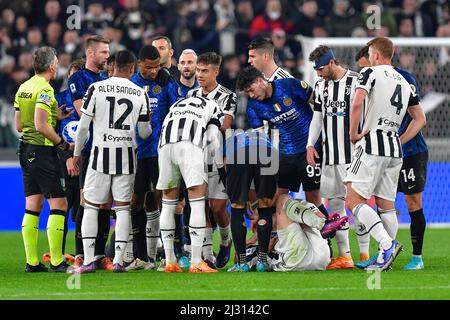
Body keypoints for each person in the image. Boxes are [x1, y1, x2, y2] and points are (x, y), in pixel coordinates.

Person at [345, 37, 426, 271]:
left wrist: (353, 133)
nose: (369, 58)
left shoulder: (370, 73)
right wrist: (399, 139)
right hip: (394, 147)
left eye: (370, 54)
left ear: (377, 55)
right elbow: (420, 117)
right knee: (386, 204)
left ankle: (386, 244)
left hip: (371, 143)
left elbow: (357, 103)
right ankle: (385, 258)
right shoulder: (403, 79)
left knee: (353, 199)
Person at [71, 50, 152, 273]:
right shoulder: (139, 93)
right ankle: (117, 261)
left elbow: (83, 128)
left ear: (113, 66)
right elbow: (145, 133)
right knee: (123, 208)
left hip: (100, 156)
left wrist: (77, 154)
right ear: (133, 68)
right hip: (126, 156)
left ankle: (88, 261)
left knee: (90, 206)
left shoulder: (96, 88)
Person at [15, 46, 73, 272]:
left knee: (33, 204)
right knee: (59, 203)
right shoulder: (46, 89)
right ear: (51, 66)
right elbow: (41, 125)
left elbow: (20, 125)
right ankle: (57, 262)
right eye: (57, 62)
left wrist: (54, 115)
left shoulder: (24, 87)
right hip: (43, 152)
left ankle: (31, 262)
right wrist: (62, 144)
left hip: (26, 150)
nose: (58, 65)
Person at [127, 45, 179, 271]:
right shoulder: (131, 85)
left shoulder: (165, 83)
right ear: (139, 65)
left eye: (157, 66)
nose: (154, 71)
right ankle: (140, 256)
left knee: (160, 199)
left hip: (160, 151)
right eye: (149, 67)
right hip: (136, 152)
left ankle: (158, 254)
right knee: (135, 201)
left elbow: (177, 107)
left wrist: (172, 81)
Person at [306, 45, 359, 269]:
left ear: (331, 63)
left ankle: (366, 254)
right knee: (336, 206)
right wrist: (310, 144)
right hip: (330, 156)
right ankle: (345, 256)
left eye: (320, 68)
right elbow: (318, 118)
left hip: (353, 155)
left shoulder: (356, 82)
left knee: (357, 205)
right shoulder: (320, 85)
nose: (318, 73)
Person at [157, 95, 222, 273]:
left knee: (168, 204)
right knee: (197, 202)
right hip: (189, 145)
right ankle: (196, 261)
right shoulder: (213, 105)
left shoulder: (177, 103)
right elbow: (212, 138)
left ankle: (170, 260)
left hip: (164, 146)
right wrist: (218, 167)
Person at [67, 35, 112, 269]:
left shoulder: (105, 78)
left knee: (105, 203)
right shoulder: (78, 78)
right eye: (104, 52)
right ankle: (81, 253)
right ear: (91, 53)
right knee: (86, 201)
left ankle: (100, 254)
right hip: (88, 149)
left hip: (108, 148)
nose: (107, 56)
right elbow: (82, 111)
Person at [188, 52, 235, 268]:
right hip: (196, 158)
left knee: (217, 208)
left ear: (216, 71)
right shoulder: (191, 94)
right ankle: (207, 256)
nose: (199, 74)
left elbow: (224, 125)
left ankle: (226, 240)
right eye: (198, 70)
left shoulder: (227, 96)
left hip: (218, 159)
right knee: (201, 207)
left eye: (204, 71)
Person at [42, 58, 85, 265]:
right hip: (62, 160)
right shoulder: (58, 99)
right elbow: (53, 131)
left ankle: (81, 254)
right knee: (62, 208)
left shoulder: (91, 98)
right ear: (68, 76)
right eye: (72, 74)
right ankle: (57, 252)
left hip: (86, 159)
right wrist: (68, 158)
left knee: (83, 209)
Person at [224, 130, 278, 272]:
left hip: (238, 154)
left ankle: (242, 264)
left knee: (236, 208)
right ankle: (262, 261)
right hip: (266, 153)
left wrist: (238, 196)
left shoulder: (232, 138)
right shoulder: (267, 137)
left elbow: (223, 162)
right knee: (265, 206)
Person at [271, 194, 347, 272]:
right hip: (300, 259)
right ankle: (322, 223)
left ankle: (322, 223)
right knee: (283, 199)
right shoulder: (263, 215)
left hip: (313, 257)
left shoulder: (265, 215)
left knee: (297, 204)